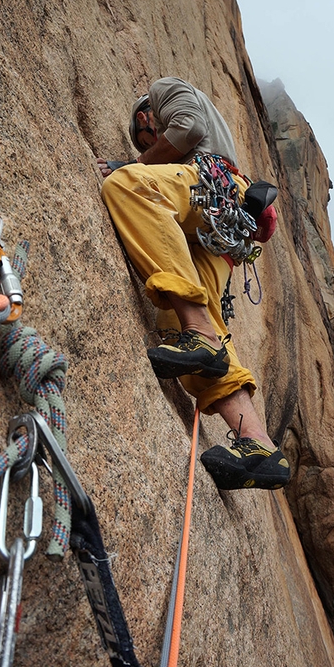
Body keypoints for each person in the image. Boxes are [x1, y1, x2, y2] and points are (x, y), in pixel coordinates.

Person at [99, 77, 290, 491]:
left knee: (129, 185)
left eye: (146, 138)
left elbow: (188, 130)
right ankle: (258, 446)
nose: (150, 147)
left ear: (145, 117)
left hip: (212, 189)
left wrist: (136, 163)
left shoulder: (164, 89)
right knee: (179, 321)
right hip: (216, 232)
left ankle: (199, 333)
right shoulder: (166, 119)